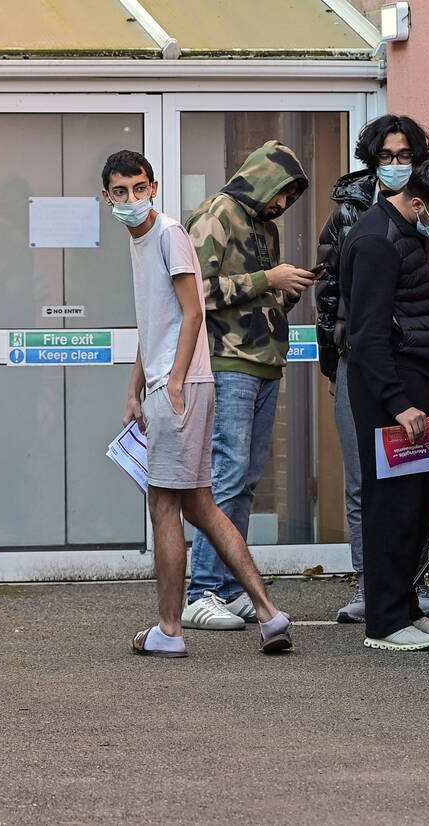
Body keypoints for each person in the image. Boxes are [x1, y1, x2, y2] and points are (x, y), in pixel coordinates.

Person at [101, 150, 292, 657]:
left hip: (182, 386)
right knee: (201, 506)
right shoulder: (141, 243)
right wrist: (133, 390)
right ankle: (271, 616)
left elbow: (192, 314)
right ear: (106, 197)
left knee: (165, 506)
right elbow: (154, 324)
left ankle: (170, 629)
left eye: (139, 188)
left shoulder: (168, 234)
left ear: (154, 187)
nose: (131, 200)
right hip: (167, 385)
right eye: (120, 192)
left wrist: (176, 383)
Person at [315, 114, 429, 622]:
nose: (395, 164)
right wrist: (332, 364)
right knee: (369, 479)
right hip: (371, 364)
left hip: (421, 359)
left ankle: (405, 591)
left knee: (414, 477)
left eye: (404, 156)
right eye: (387, 157)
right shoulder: (361, 221)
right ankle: (376, 592)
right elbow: (333, 300)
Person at [181, 141, 315, 630]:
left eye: (291, 197)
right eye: (282, 192)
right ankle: (201, 590)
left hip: (263, 363)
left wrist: (286, 289)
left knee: (246, 480)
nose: (283, 204)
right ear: (262, 178)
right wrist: (268, 279)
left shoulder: (264, 227)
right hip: (227, 362)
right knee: (228, 475)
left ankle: (231, 586)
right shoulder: (218, 213)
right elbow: (196, 292)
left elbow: (258, 299)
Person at [342, 156, 429, 651]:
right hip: (391, 391)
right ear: (418, 203)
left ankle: (407, 608)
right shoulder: (377, 240)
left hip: (420, 381)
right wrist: (398, 403)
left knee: (417, 503)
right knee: (389, 505)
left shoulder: (410, 231)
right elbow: (367, 334)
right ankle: (385, 621)